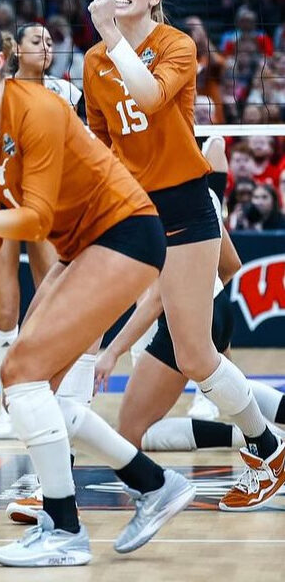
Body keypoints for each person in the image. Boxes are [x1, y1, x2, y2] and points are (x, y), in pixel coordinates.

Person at [0, 14, 194, 567]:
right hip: (84, 245)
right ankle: (153, 485)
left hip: (127, 231)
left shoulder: (36, 108)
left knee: (22, 372)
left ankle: (65, 529)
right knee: (30, 388)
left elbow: (33, 223)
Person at [83, 0, 284, 510]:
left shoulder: (175, 44)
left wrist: (108, 31)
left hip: (186, 207)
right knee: (129, 405)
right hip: (136, 209)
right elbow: (102, 145)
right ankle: (53, 471)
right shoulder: (94, 61)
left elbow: (148, 96)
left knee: (196, 355)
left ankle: (267, 447)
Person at [93, 137, 285, 455]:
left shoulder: (149, 200)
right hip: (218, 306)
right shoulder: (199, 189)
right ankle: (262, 435)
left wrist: (111, 352)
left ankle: (263, 439)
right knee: (226, 385)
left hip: (181, 315)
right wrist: (203, 294)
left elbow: (155, 298)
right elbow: (232, 263)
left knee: (131, 434)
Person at [0, 25, 88, 440]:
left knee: (50, 303)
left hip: (49, 204)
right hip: (1, 200)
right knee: (7, 308)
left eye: (50, 42)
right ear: (16, 51)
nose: (46, 48)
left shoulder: (67, 94)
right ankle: (5, 406)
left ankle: (45, 394)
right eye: (37, 42)